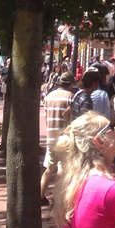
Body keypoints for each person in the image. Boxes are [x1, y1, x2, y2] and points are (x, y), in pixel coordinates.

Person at [40, 71, 75, 205]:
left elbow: (45, 116)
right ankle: (57, 198)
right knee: (62, 168)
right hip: (64, 136)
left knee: (49, 168)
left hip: (51, 136)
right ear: (71, 83)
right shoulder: (71, 97)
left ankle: (40, 195)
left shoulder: (48, 97)